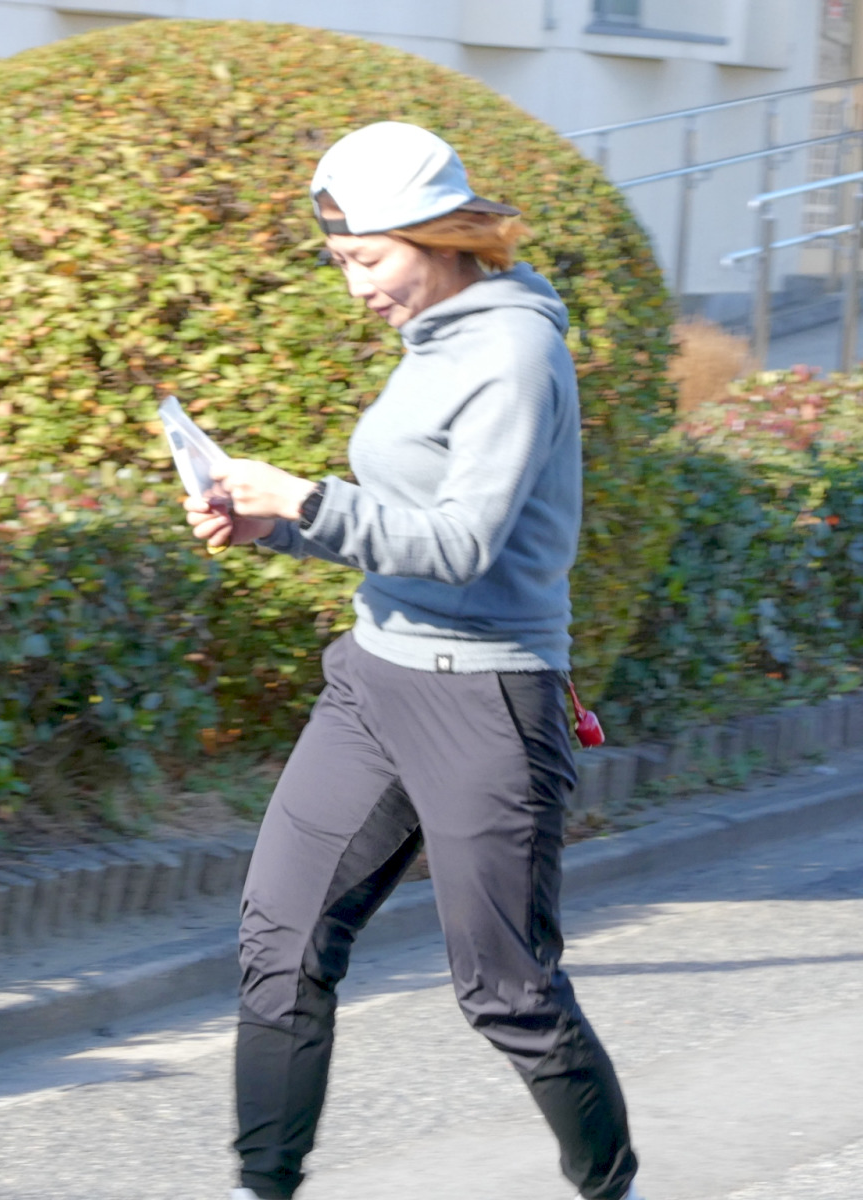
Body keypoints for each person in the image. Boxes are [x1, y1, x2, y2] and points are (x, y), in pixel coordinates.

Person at [183, 121, 645, 1200]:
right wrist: (276, 526)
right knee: (279, 946)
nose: (356, 288)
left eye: (368, 260)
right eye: (341, 262)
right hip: (374, 682)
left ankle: (610, 1187)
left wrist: (304, 497)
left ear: (438, 237)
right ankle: (263, 1187)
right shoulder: (437, 340)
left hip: (485, 699)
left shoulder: (513, 352)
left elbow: (462, 545)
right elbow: (397, 520)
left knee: (507, 991)